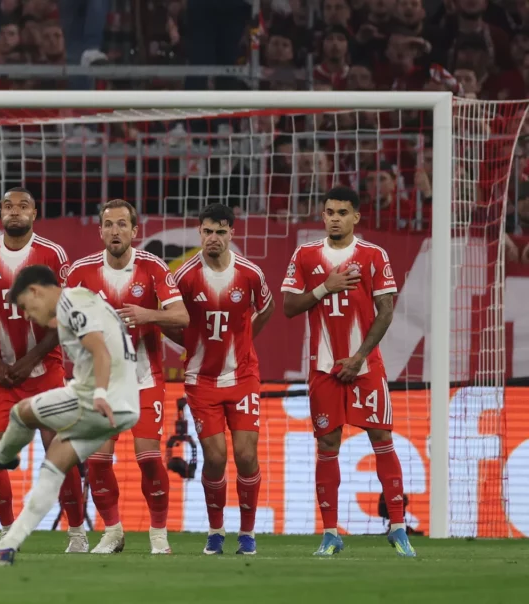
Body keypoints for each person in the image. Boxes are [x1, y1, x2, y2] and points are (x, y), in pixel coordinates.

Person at [0, 265, 140, 566]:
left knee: (21, 412)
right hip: (125, 406)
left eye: (26, 308)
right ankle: (8, 547)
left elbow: (100, 351)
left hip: (98, 398)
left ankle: (3, 455)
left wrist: (98, 394)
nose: (28, 316)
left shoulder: (71, 302)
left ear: (36, 291)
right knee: (53, 466)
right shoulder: (83, 300)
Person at [281, 186, 416, 557]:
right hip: (324, 368)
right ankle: (330, 533)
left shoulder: (374, 255)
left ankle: (399, 526)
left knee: (380, 437)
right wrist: (326, 286)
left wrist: (359, 356)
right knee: (327, 445)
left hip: (365, 366)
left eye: (342, 212)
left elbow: (386, 310)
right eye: (329, 212)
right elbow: (289, 306)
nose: (334, 218)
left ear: (356, 216)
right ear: (322, 216)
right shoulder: (306, 255)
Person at [0, 187, 89, 552]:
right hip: (0, 373)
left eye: (22, 206)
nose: (14, 211)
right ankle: (7, 530)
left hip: (44, 368)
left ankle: (77, 532)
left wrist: (30, 360)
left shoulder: (52, 255)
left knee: (59, 449)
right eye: (7, 205)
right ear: (0, 212)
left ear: (34, 213)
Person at [65, 199, 188, 554]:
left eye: (122, 224)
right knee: (98, 461)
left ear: (135, 231)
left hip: (143, 380)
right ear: (100, 230)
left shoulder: (152, 268)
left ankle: (159, 535)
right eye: (109, 224)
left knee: (148, 459)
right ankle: (113, 531)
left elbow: (181, 317)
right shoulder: (80, 272)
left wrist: (147, 314)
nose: (115, 231)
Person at [168, 202, 275, 555]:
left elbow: (267, 307)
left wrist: (245, 341)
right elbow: (169, 319)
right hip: (201, 380)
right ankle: (216, 531)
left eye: (221, 232)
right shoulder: (184, 277)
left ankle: (247, 533)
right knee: (214, 458)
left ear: (232, 233)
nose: (213, 238)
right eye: (208, 231)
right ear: (200, 233)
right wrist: (190, 345)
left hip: (242, 376)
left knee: (246, 455)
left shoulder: (249, 273)